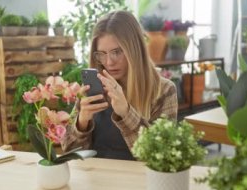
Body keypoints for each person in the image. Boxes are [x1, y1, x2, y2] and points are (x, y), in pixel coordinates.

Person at [62, 10, 178, 160]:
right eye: (102, 54)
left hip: (138, 180)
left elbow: (161, 156)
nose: (109, 62)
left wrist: (126, 112)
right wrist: (82, 123)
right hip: (95, 177)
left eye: (117, 52)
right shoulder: (91, 88)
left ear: (134, 49)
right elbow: (69, 153)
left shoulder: (164, 90)